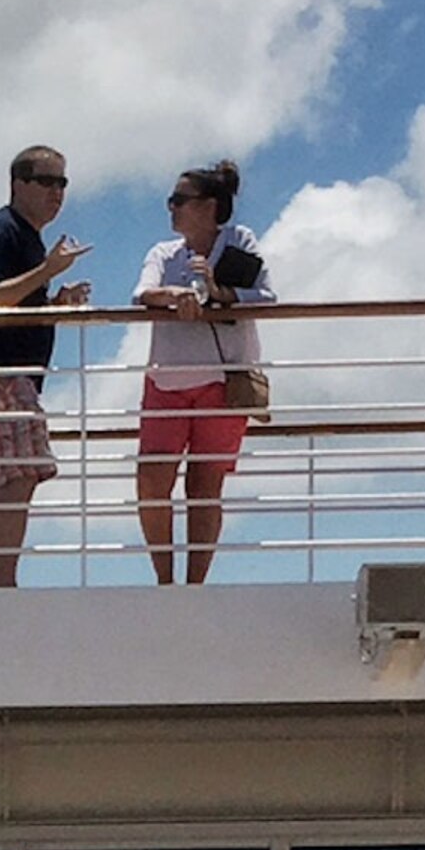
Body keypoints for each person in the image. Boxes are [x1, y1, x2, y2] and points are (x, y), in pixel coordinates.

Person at [0, 146, 93, 590]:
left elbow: (11, 303)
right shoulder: (2, 232)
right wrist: (47, 270)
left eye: (62, 183)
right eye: (47, 181)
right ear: (19, 184)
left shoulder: (21, 236)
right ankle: (0, 586)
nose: (57, 193)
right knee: (19, 472)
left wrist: (53, 302)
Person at [132, 162, 274, 588]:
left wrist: (218, 293)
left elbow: (265, 296)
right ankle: (165, 579)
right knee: (152, 483)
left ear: (209, 206)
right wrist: (175, 295)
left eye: (179, 200)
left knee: (205, 485)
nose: (171, 208)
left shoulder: (239, 241)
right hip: (168, 380)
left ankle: (195, 584)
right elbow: (141, 293)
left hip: (222, 380)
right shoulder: (164, 253)